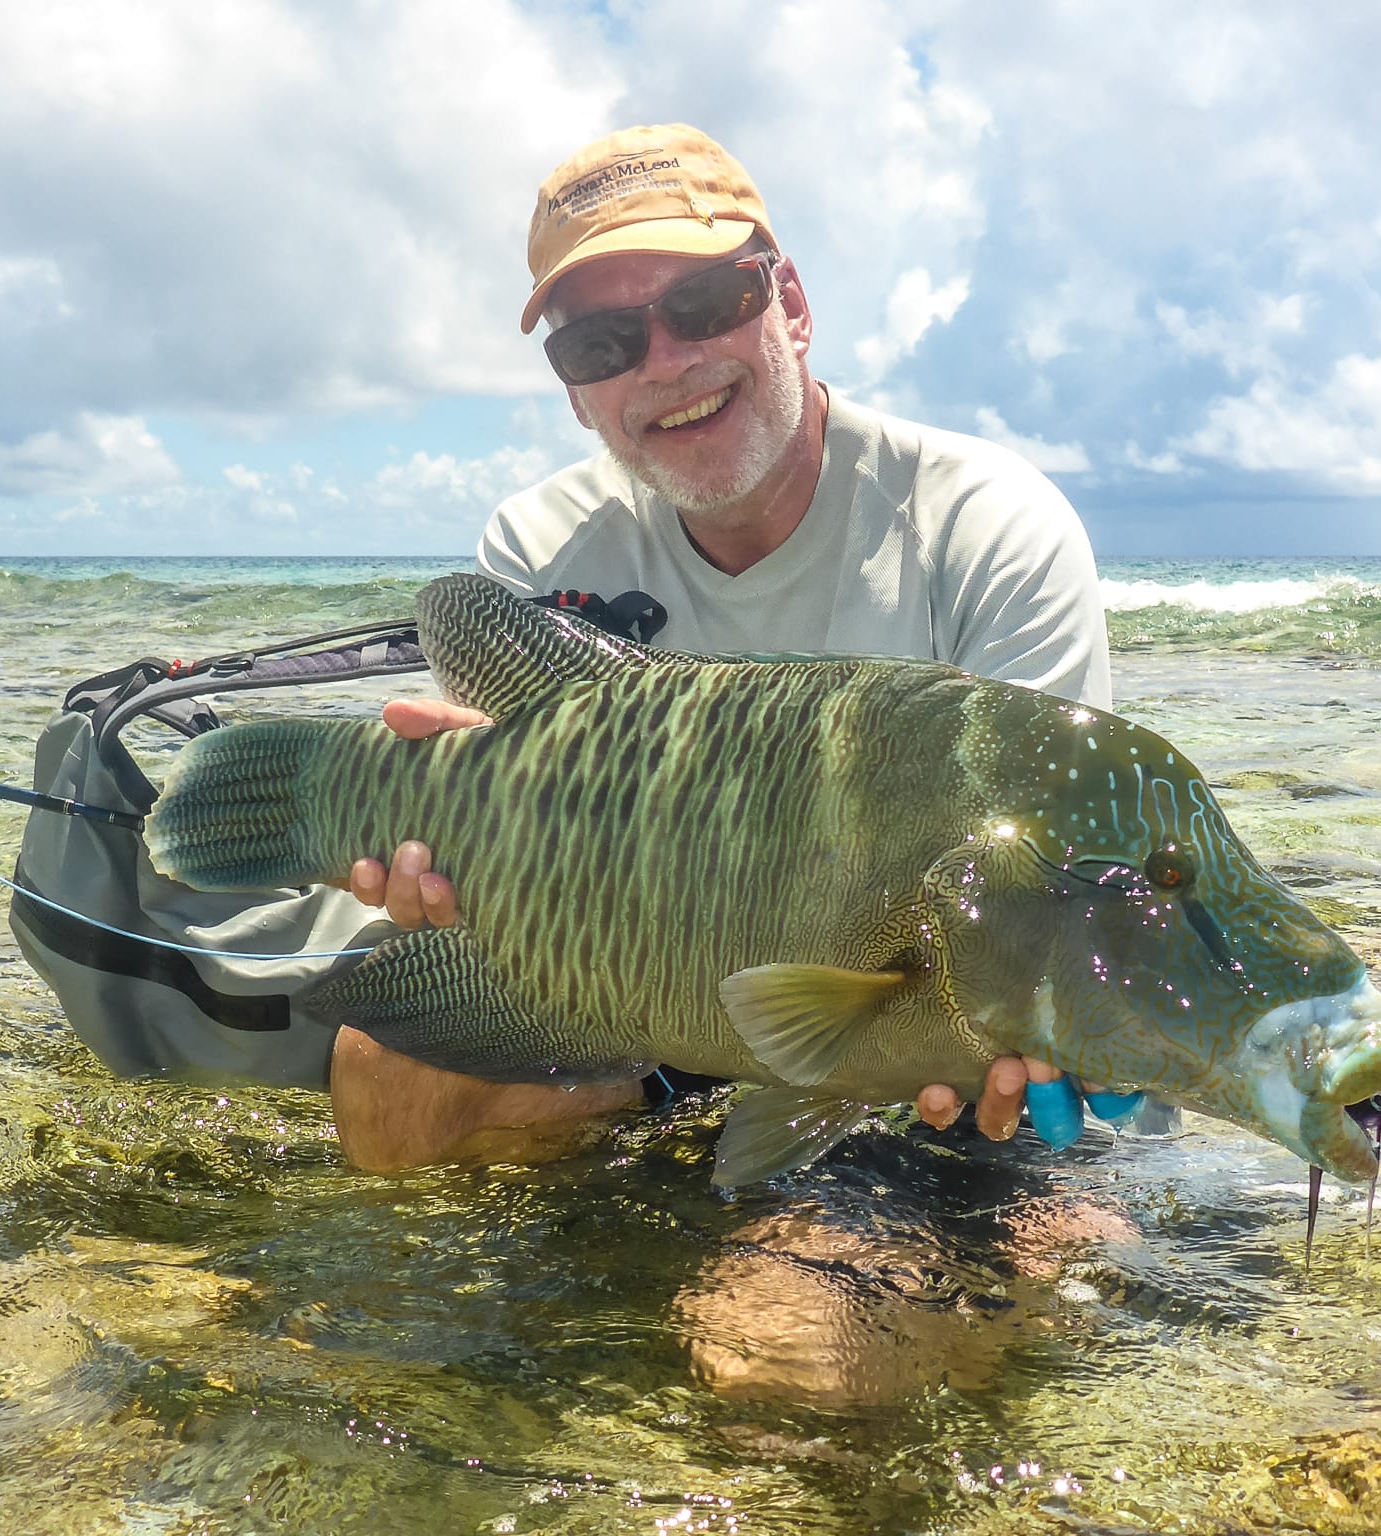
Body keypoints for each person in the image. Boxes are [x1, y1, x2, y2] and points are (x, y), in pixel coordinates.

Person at [331, 124, 1114, 1172]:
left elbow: (1046, 891)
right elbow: (529, 860)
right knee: (389, 1065)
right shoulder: (536, 548)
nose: (664, 362)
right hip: (651, 999)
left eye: (704, 303)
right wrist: (460, 871)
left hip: (910, 1033)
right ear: (574, 392)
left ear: (787, 301)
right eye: (599, 344)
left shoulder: (985, 527)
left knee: (789, 1317)